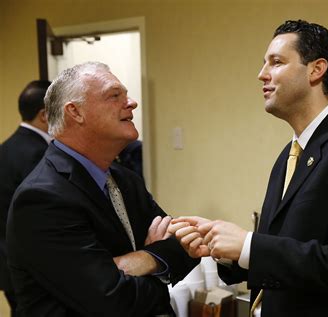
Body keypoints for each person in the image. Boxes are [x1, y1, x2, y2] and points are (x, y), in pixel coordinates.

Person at [169, 20, 328, 317]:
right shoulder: (289, 155)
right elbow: (282, 258)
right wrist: (221, 250)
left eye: (276, 62)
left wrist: (247, 245)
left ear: (316, 70)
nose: (261, 74)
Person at [6, 62, 198, 316]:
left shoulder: (125, 179)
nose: (131, 103)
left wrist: (134, 262)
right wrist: (153, 258)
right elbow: (112, 300)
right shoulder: (42, 197)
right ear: (75, 112)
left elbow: (186, 247)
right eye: (114, 95)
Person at [0, 80, 52, 316]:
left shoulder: (6, 147)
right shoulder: (39, 154)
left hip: (7, 258)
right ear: (44, 115)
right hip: (32, 264)